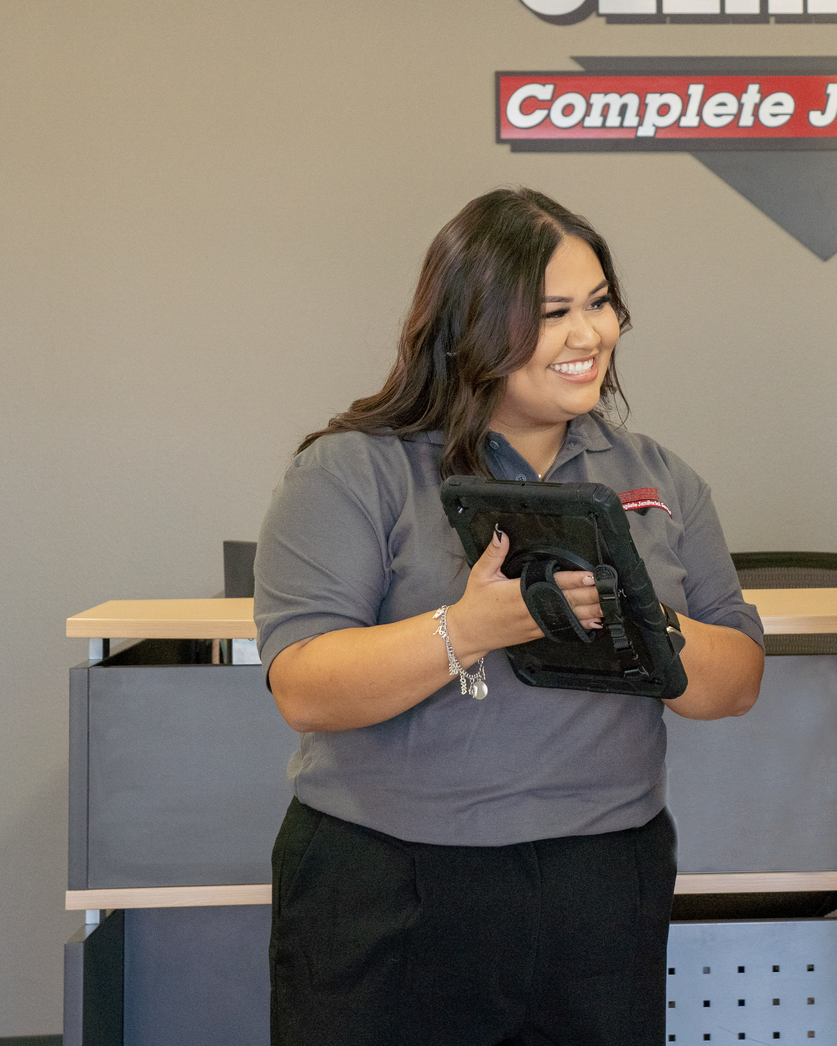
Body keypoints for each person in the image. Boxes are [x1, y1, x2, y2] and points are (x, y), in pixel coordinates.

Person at [253, 187, 765, 1046]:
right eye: (554, 312)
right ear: (474, 324)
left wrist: (650, 623)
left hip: (603, 880)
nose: (589, 333)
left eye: (599, 303)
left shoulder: (661, 479)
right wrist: (472, 628)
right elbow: (304, 687)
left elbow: (737, 680)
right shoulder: (351, 472)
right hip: (390, 883)